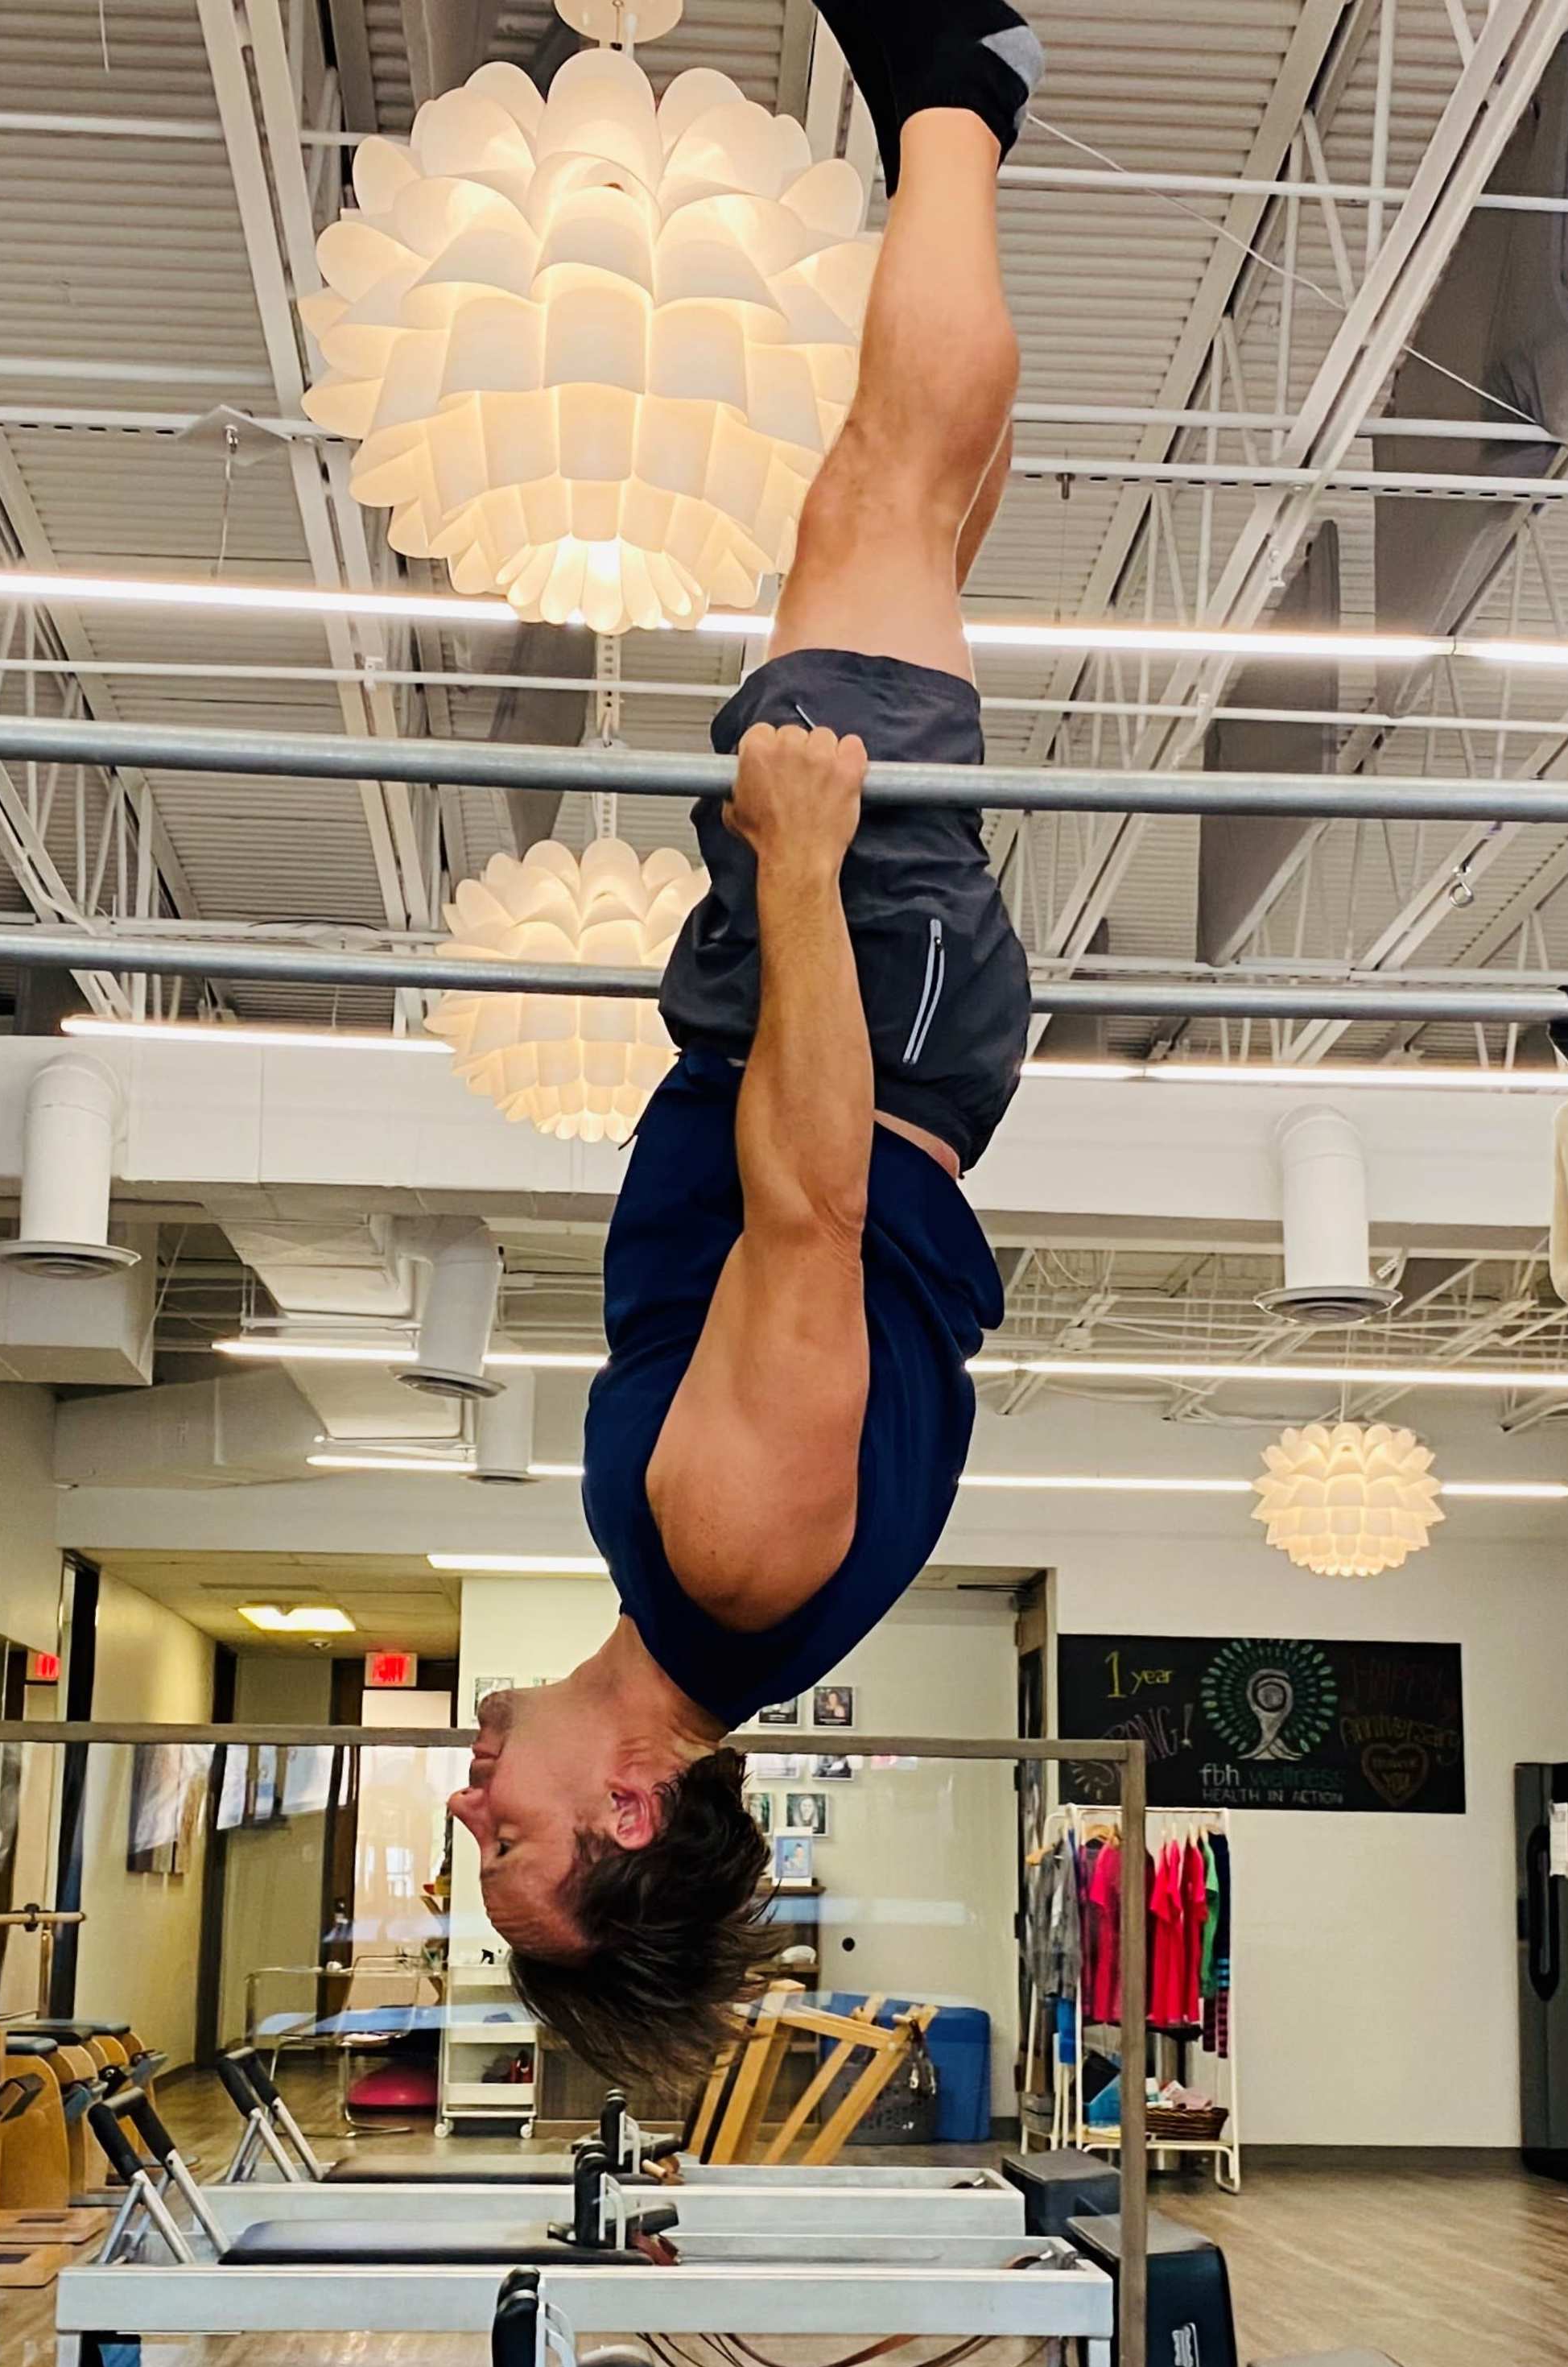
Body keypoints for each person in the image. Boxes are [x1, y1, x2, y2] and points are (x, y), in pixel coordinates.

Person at [448, 0, 1044, 2088]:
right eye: (503, 1845)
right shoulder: (729, 1564)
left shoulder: (703, 1599)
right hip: (855, 1012)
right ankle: (960, 79)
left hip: (847, 1020)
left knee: (899, 513)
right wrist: (798, 873)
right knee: (883, 488)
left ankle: (957, 138)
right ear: (628, 1813)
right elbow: (804, 1215)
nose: (470, 1803)